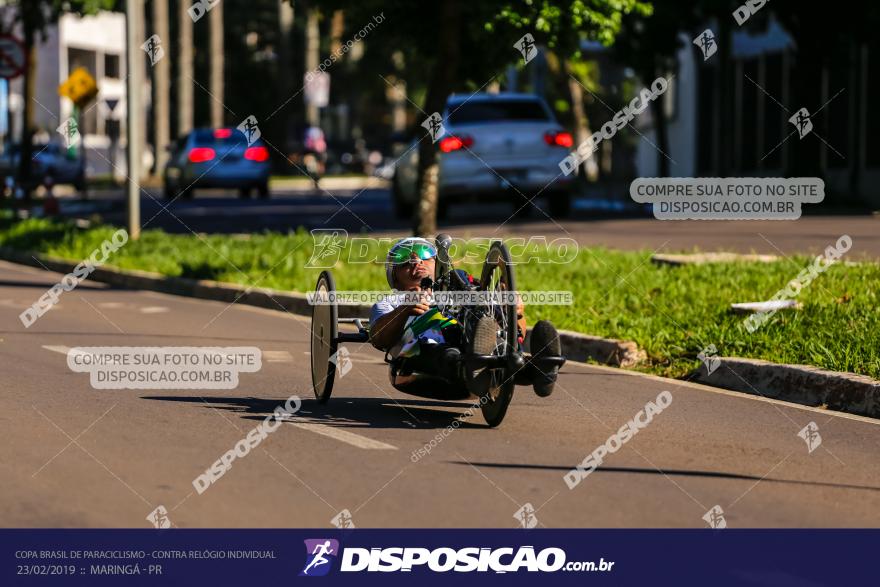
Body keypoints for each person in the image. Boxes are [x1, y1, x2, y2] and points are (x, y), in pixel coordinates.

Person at [369, 237, 559, 397]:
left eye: (425, 254)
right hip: (421, 354)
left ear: (437, 263)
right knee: (446, 353)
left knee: (462, 280)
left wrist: (514, 312)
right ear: (394, 275)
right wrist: (404, 309)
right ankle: (470, 367)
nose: (416, 260)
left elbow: (518, 329)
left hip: (472, 336)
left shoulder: (462, 288)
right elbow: (378, 338)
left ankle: (540, 369)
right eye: (403, 258)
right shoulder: (391, 301)